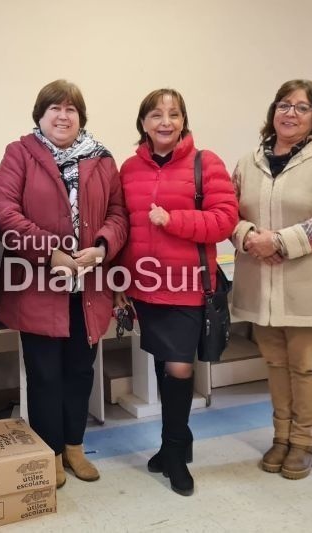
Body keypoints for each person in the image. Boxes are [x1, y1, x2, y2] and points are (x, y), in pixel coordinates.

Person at [0, 79, 128, 488]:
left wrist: (102, 248)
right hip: (36, 284)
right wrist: (51, 252)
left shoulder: (102, 159)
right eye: (55, 108)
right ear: (40, 115)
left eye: (71, 109)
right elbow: (4, 211)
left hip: (88, 286)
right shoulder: (20, 154)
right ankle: (48, 452)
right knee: (45, 375)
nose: (63, 116)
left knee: (80, 372)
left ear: (81, 117)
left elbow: (119, 213)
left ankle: (74, 447)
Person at [230, 80, 312, 480]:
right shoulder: (249, 160)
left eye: (302, 107)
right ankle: (280, 437)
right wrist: (248, 236)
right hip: (260, 278)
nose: (290, 113)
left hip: (310, 279)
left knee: (304, 364)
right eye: (284, 105)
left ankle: (303, 442)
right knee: (274, 361)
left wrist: (280, 242)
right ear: (273, 111)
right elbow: (226, 209)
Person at [115, 88, 238, 496]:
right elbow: (123, 227)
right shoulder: (129, 168)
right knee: (162, 361)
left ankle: (173, 449)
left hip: (188, 285)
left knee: (180, 366)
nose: (164, 121)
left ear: (184, 120)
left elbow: (223, 221)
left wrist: (173, 220)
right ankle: (175, 444)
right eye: (155, 114)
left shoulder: (207, 163)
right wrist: (120, 281)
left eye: (173, 114)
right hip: (146, 285)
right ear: (143, 123)